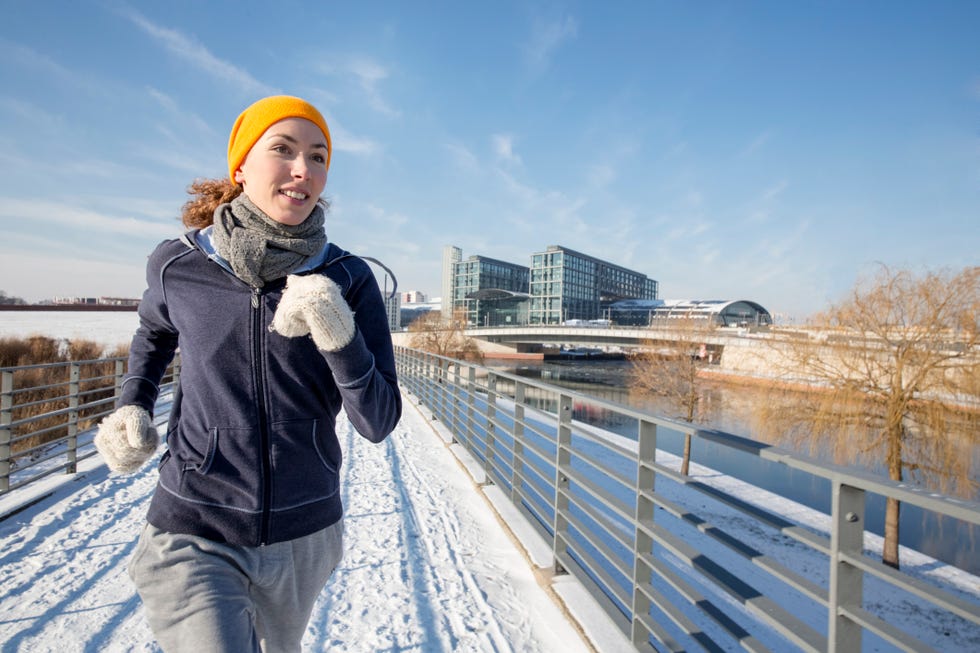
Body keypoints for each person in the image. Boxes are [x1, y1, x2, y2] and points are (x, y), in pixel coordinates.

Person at [94, 95, 402, 652]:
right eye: (282, 150)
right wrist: (132, 402)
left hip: (302, 533)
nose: (302, 169)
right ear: (240, 167)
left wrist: (338, 333)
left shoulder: (350, 277)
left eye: (318, 156)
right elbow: (154, 332)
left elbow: (378, 420)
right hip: (193, 524)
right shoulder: (179, 263)